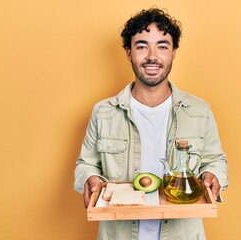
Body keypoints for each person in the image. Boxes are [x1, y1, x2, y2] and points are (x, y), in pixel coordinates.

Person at [74, 7, 228, 240]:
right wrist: (90, 179)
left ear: (174, 52)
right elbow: (86, 164)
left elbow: (215, 160)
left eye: (162, 46)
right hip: (119, 234)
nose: (152, 56)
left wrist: (213, 176)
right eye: (142, 46)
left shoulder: (199, 111)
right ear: (128, 52)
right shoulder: (103, 112)